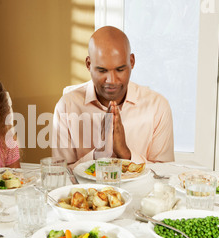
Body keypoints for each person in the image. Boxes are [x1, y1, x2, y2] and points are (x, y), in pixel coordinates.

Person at [52, 26, 174, 168]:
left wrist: (126, 154)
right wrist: (98, 155)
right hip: (83, 190)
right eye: (102, 70)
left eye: (120, 69)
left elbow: (165, 175)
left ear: (132, 62)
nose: (111, 80)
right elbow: (59, 174)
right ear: (89, 64)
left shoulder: (157, 107)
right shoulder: (67, 106)